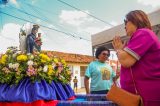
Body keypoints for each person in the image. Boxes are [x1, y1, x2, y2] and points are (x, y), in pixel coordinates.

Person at [112, 10, 160, 106]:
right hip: (140, 96)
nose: (124, 26)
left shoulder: (143, 33)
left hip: (146, 97)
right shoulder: (141, 35)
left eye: (126, 22)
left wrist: (118, 49)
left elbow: (126, 61)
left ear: (136, 20)